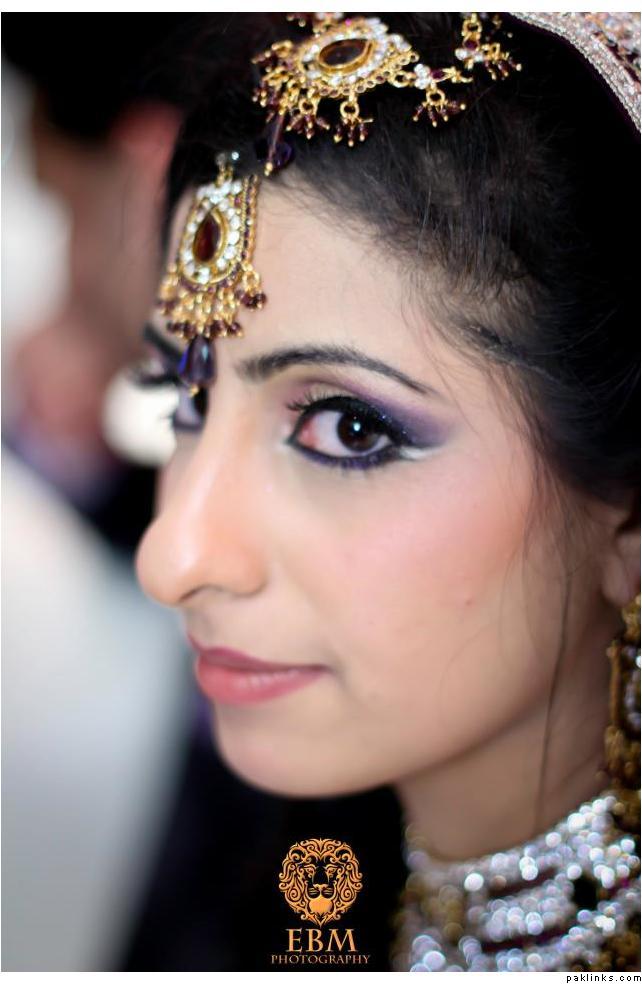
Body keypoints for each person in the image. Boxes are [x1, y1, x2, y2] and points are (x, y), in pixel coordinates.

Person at [134, 13, 640, 972]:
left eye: (349, 430)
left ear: (629, 511)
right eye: (187, 399)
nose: (174, 557)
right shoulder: (276, 900)